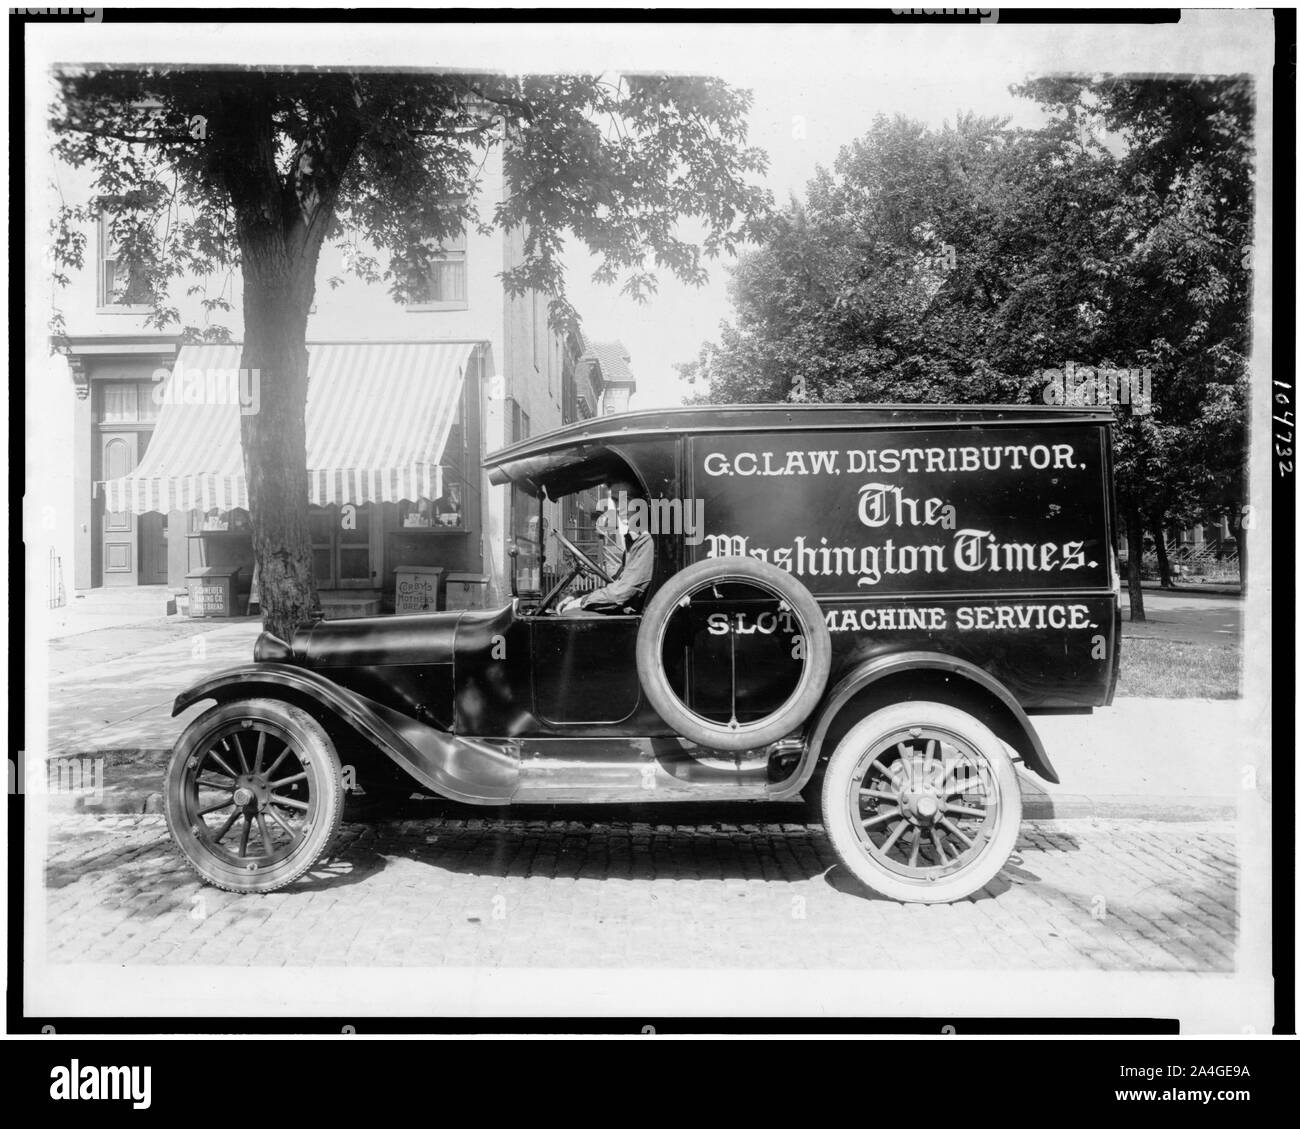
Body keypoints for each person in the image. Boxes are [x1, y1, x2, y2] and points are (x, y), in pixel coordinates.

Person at [557, 478, 654, 615]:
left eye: (628, 499)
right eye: (616, 500)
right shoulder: (633, 540)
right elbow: (617, 584)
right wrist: (580, 595)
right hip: (629, 609)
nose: (620, 507)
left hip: (637, 615)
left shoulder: (647, 541)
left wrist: (582, 601)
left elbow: (622, 593)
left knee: (570, 615)